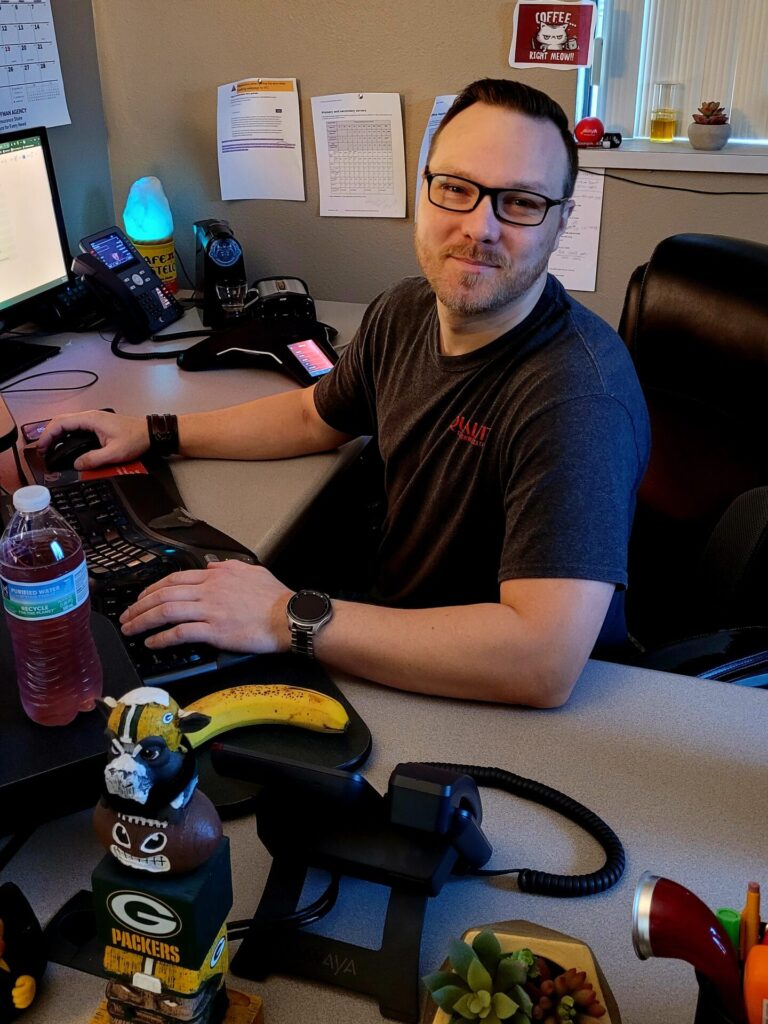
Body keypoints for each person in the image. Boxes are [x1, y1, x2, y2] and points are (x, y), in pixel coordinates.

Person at [39, 78, 649, 708]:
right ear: (425, 190)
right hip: (388, 628)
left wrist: (284, 615)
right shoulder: (406, 310)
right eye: (456, 188)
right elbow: (313, 416)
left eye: (520, 202)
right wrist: (155, 432)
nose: (480, 227)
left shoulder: (576, 397)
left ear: (561, 221)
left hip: (475, 692)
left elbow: (541, 662)